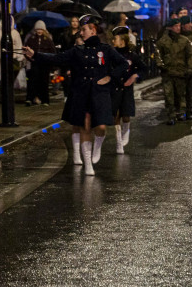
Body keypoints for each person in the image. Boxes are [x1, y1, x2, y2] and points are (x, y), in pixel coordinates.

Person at [24, 15, 127, 175]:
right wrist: (35, 55)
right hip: (82, 92)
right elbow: (57, 58)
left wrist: (110, 77)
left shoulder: (106, 50)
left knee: (100, 127)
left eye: (84, 29)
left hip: (100, 93)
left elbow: (123, 64)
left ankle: (98, 146)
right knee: (85, 124)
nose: (81, 33)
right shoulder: (77, 51)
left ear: (93, 30)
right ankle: (88, 165)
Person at [110, 26, 145, 154]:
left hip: (127, 89)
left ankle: (127, 131)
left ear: (122, 40)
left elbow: (143, 69)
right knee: (115, 116)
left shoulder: (132, 55)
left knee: (125, 115)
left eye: (115, 38)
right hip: (114, 88)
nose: (113, 41)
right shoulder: (112, 53)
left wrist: (135, 76)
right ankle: (119, 143)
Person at [155, 17, 192, 124]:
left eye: (179, 26)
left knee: (180, 94)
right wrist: (161, 65)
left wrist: (190, 68)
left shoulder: (184, 40)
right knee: (169, 95)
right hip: (168, 72)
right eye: (175, 26)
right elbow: (158, 54)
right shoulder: (163, 41)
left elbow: (190, 55)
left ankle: (181, 113)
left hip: (181, 72)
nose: (178, 28)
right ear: (170, 28)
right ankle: (171, 115)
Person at [23, 20, 56, 106]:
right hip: (34, 63)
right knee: (32, 81)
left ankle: (45, 99)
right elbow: (26, 50)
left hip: (44, 64)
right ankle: (30, 98)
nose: (39, 31)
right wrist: (30, 59)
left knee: (44, 81)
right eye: (38, 29)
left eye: (41, 29)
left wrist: (49, 60)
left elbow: (52, 51)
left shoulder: (48, 40)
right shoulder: (31, 39)